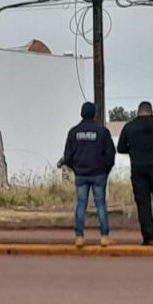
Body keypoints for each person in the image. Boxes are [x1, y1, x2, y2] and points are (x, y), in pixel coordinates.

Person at [117, 101, 153, 246]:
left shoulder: (129, 127)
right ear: (151, 111)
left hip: (139, 168)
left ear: (138, 111)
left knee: (143, 204)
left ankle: (148, 237)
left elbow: (120, 148)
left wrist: (134, 151)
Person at [62, 102, 116, 247]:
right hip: (99, 173)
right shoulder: (102, 132)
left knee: (81, 205)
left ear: (81, 113)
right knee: (100, 205)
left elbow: (67, 156)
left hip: (81, 174)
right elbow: (110, 153)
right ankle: (104, 237)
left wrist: (76, 168)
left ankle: (79, 237)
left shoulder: (74, 132)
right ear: (95, 114)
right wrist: (106, 169)